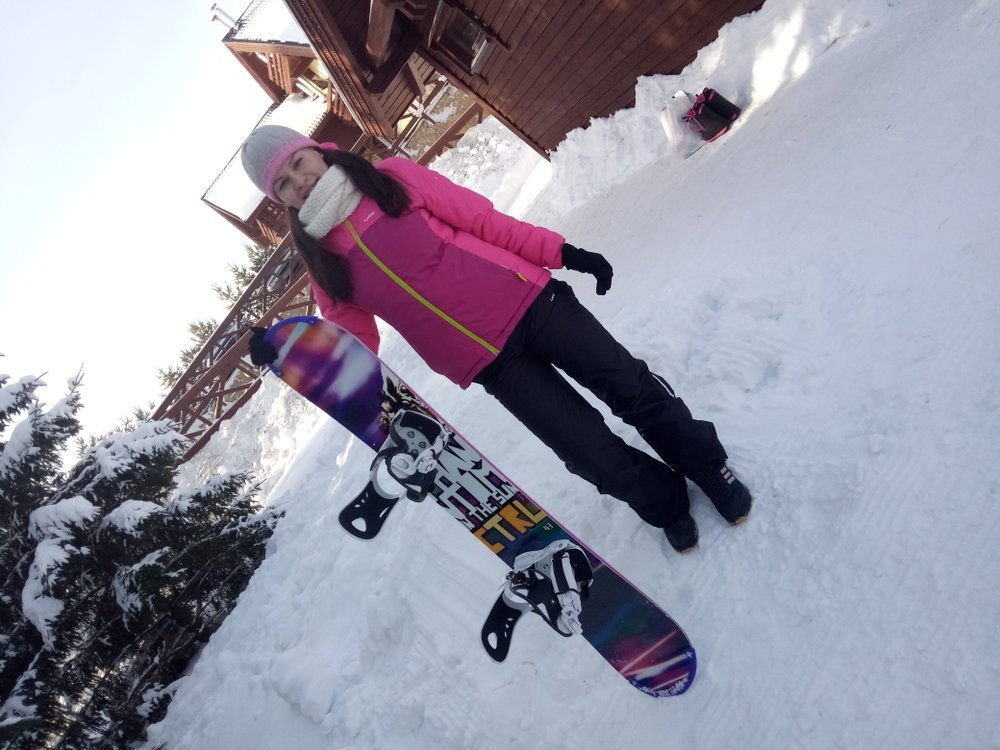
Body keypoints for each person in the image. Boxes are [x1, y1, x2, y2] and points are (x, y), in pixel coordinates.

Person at [240, 124, 751, 552]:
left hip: (533, 304)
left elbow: (482, 221)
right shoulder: (323, 263)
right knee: (586, 450)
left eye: (298, 163)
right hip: (491, 364)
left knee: (630, 387)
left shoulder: (388, 178)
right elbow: (350, 347)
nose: (299, 182)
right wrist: (288, 354)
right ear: (278, 199)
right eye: (283, 184)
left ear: (316, 150)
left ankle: (707, 467)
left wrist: (563, 252)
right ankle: (664, 502)